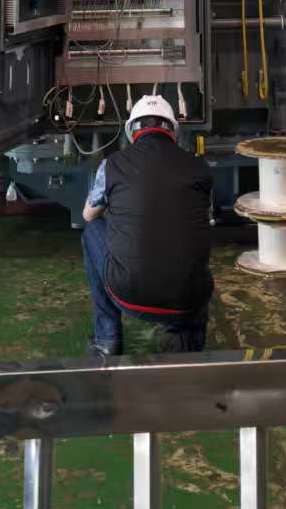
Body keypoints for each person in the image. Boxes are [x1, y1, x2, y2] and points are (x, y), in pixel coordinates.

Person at [81, 93, 213, 357]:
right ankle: (184, 341)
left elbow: (88, 215)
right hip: (186, 300)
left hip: (127, 293)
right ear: (172, 132)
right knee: (192, 242)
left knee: (92, 231)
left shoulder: (113, 164)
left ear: (132, 131)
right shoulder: (200, 167)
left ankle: (107, 339)